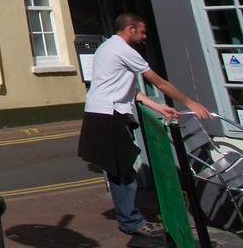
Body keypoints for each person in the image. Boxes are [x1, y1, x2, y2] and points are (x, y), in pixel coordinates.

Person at [76, 13, 210, 236]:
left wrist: (157, 107)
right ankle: (131, 222)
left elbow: (126, 88)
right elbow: (158, 82)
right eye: (142, 31)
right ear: (130, 30)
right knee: (124, 170)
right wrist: (190, 102)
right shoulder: (124, 50)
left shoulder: (106, 47)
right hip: (109, 115)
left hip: (100, 113)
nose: (145, 36)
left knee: (119, 170)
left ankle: (130, 219)